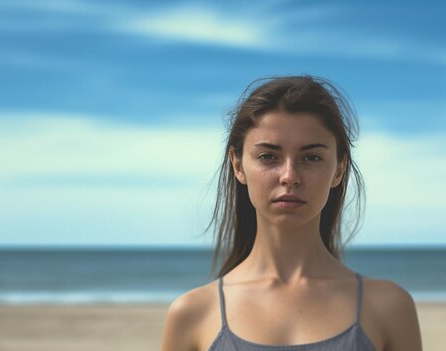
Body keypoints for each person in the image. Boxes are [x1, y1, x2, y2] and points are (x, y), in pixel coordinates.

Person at [161, 75, 422, 351]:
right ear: (238, 166)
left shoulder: (388, 308)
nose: (289, 176)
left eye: (311, 157)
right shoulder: (193, 314)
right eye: (268, 156)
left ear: (339, 169)